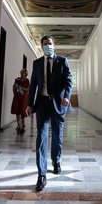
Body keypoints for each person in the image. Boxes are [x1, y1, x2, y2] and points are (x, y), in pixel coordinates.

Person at [26, 35, 72, 192]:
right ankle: (41, 174)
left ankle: (56, 161)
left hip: (58, 104)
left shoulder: (62, 61)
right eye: (45, 44)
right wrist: (29, 104)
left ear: (54, 45)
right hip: (42, 104)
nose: (48, 46)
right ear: (41, 46)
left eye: (50, 44)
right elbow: (33, 86)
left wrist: (66, 97)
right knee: (41, 137)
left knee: (57, 135)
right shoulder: (37, 63)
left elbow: (68, 81)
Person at [10, 68, 29, 134]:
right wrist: (15, 89)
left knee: (22, 110)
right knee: (17, 110)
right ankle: (19, 125)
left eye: (23, 73)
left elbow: (27, 89)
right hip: (17, 96)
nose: (21, 74)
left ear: (26, 74)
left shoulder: (27, 80)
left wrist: (21, 87)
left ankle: (23, 122)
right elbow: (13, 87)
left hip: (24, 97)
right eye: (21, 73)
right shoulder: (17, 79)